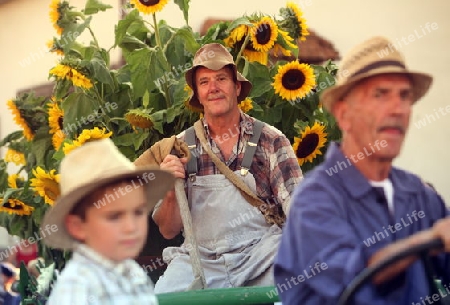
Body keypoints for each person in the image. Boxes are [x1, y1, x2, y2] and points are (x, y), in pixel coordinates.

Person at [274, 36, 450, 304]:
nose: (398, 109)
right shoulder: (315, 200)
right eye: (380, 95)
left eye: (404, 96)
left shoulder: (417, 194)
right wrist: (428, 239)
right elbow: (356, 279)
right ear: (343, 115)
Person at [142, 43, 303, 293]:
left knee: (295, 287)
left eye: (221, 79)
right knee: (165, 296)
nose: (213, 88)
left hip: (262, 256)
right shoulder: (181, 148)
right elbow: (168, 229)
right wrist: (172, 189)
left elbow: (299, 207)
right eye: (204, 82)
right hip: (200, 261)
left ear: (237, 87)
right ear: (197, 94)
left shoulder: (270, 140)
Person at [41, 138, 175, 304]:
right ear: (77, 226)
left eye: (138, 212)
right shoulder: (78, 289)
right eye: (114, 216)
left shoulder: (131, 271)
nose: (131, 227)